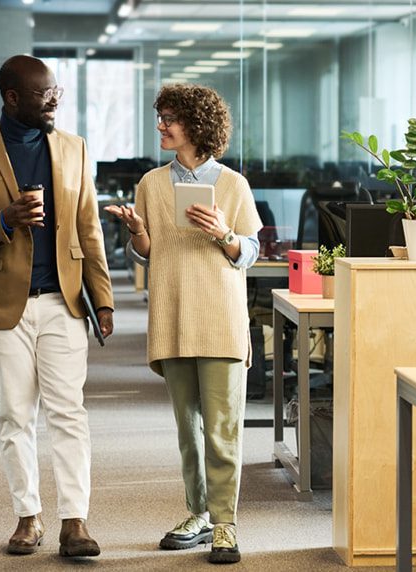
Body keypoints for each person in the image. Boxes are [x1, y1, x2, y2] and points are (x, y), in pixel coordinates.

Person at [0, 55, 114, 558]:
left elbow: (89, 229)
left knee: (69, 413)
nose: (54, 100)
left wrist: (103, 300)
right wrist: (5, 219)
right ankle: (28, 516)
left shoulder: (74, 148)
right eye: (44, 94)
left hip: (64, 302)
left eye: (56, 91)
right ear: (13, 98)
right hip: (4, 308)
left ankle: (75, 521)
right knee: (15, 416)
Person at [104, 83, 262, 564]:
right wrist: (138, 232)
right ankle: (198, 513)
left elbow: (250, 252)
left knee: (221, 429)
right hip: (173, 314)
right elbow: (148, 254)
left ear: (196, 125)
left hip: (219, 318)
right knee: (188, 430)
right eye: (161, 117)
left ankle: (225, 523)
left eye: (169, 118)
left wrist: (224, 233)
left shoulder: (233, 185)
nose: (161, 126)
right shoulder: (151, 184)